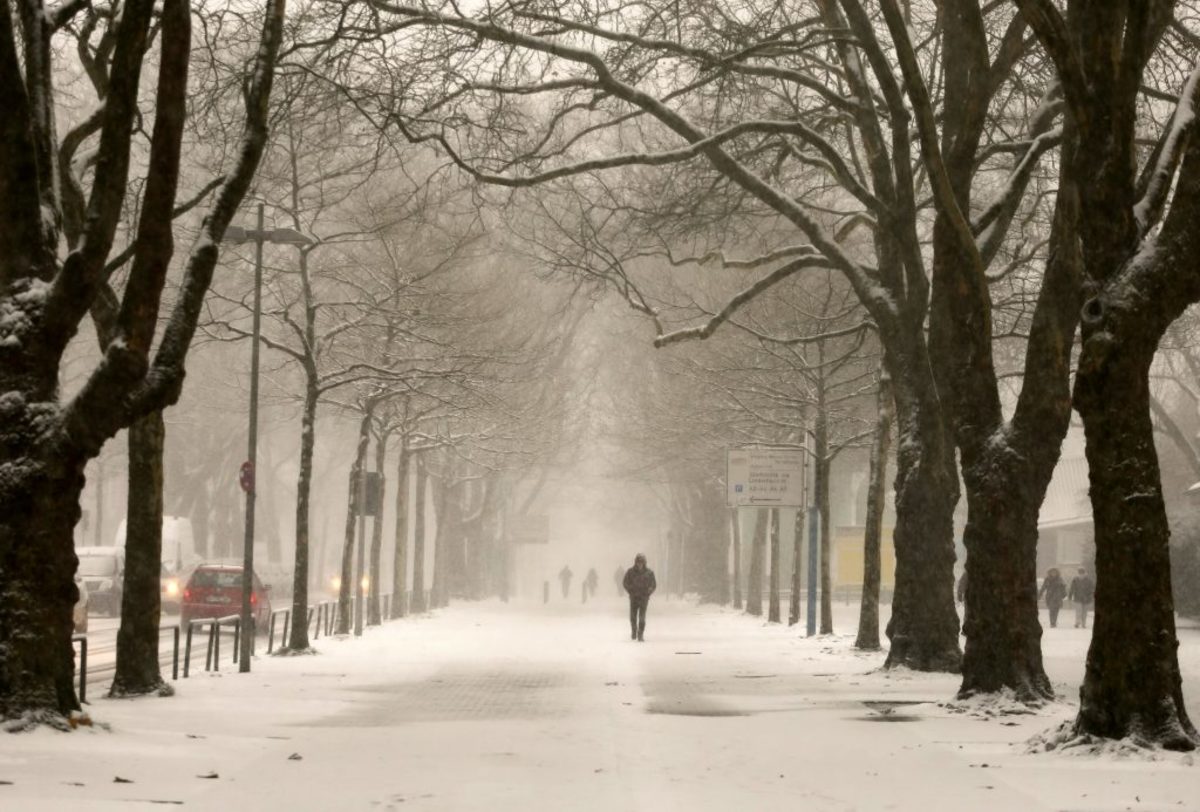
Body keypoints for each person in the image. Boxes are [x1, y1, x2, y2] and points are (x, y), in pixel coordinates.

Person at [622, 553, 657, 641]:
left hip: (644, 598)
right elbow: (625, 582)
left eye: (641, 562)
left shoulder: (649, 573)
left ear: (644, 563)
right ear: (635, 562)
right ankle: (634, 630)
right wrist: (630, 590)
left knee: (642, 617)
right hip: (634, 597)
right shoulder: (630, 572)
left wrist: (649, 591)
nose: (640, 564)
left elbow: (653, 584)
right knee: (633, 616)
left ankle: (640, 633)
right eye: (638, 562)